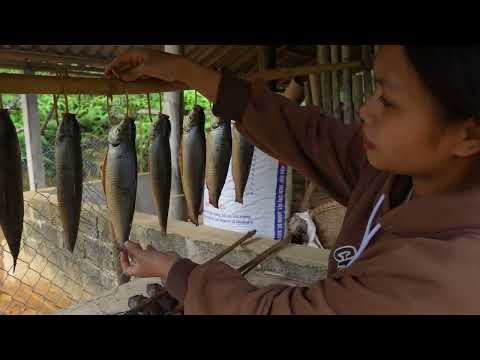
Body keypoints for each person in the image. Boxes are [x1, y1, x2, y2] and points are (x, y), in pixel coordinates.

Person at [105, 45, 480, 315]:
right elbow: (303, 133)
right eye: (374, 91)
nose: (366, 110)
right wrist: (185, 71)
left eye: (390, 101)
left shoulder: (452, 278)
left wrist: (175, 270)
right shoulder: (392, 174)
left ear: (468, 135)